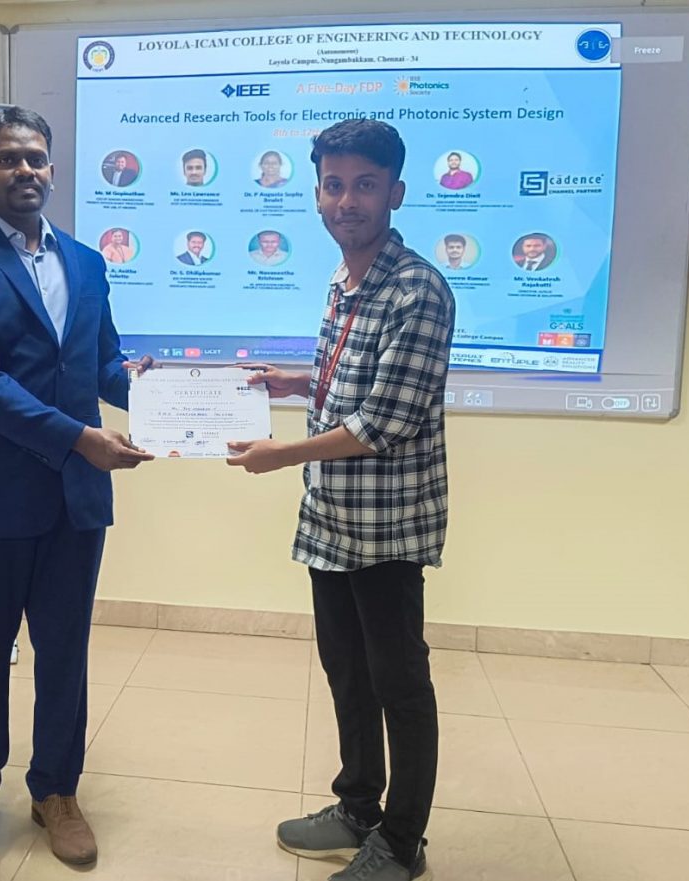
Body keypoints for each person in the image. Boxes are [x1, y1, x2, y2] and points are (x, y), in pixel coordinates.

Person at [0, 106, 155, 874]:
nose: (26, 170)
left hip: (75, 500)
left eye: (37, 158)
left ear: (52, 168)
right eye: (9, 158)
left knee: (65, 652)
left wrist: (167, 396)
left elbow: (102, 365)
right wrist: (80, 437)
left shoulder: (85, 261)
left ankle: (56, 789)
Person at [227, 118, 454, 881]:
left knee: (399, 683)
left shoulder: (418, 288)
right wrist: (295, 381)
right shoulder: (344, 279)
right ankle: (357, 805)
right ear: (317, 193)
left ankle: (401, 840)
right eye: (333, 184)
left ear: (396, 192)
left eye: (364, 185)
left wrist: (279, 454)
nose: (346, 200)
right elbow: (350, 383)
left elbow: (383, 421)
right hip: (330, 521)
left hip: (386, 530)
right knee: (347, 672)